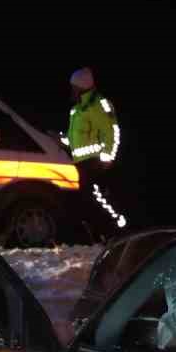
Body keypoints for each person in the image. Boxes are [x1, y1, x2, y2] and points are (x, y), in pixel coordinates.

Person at [64, 67, 128, 232]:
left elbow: (112, 131)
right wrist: (61, 141)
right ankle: (100, 234)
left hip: (96, 163)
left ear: (81, 86)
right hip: (82, 164)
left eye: (74, 86)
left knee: (99, 199)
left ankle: (119, 228)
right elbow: (77, 139)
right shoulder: (77, 109)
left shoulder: (99, 104)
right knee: (90, 199)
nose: (71, 89)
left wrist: (108, 157)